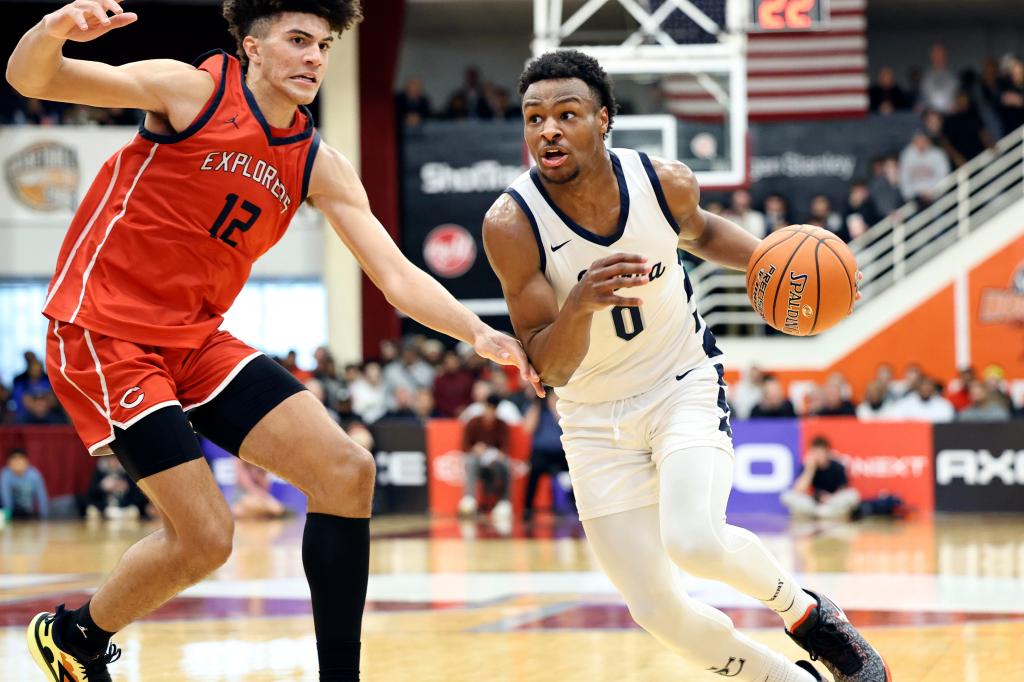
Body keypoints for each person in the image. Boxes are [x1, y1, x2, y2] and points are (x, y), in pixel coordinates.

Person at [7, 1, 539, 679]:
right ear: (253, 49)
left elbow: (398, 276)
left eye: (322, 44)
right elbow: (34, 80)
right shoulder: (191, 91)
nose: (314, 56)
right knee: (206, 539)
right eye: (297, 40)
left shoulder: (318, 163)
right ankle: (77, 634)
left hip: (196, 340)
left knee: (347, 472)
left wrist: (478, 332)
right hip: (104, 330)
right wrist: (52, 32)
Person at [482, 50, 888, 682]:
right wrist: (582, 304)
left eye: (567, 114)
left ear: (604, 119)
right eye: (534, 118)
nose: (548, 131)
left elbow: (699, 233)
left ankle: (811, 617)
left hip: (680, 384)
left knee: (694, 539)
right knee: (655, 609)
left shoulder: (662, 182)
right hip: (590, 418)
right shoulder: (511, 225)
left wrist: (795, 271)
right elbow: (550, 367)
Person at [458, 395, 512, 519]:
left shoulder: (502, 425)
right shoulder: (473, 422)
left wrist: (498, 454)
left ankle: (504, 502)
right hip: (476, 458)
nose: (490, 413)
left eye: (493, 410)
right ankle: (469, 500)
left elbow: (505, 448)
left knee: (506, 464)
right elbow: (465, 446)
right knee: (470, 460)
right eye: (488, 409)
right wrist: (475, 449)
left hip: (494, 461)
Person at [781, 437, 861, 520]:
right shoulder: (809, 466)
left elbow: (842, 489)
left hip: (832, 502)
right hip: (814, 504)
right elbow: (798, 490)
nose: (817, 456)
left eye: (820, 453)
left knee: (853, 494)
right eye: (815, 452)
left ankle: (822, 515)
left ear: (827, 452)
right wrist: (810, 470)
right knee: (787, 496)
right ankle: (819, 515)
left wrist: (828, 498)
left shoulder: (837, 467)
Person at [521, 391, 570, 521]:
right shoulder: (534, 408)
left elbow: (563, 423)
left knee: (572, 472)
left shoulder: (561, 406)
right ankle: (528, 508)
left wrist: (553, 404)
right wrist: (537, 404)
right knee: (534, 470)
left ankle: (573, 507)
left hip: (561, 453)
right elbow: (528, 428)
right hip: (540, 453)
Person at [1, 448, 50, 520]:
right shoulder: (5, 474)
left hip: (28, 513)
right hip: (10, 512)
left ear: (26, 462)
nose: (17, 462)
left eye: (20, 459)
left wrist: (44, 517)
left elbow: (42, 498)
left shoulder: (34, 475)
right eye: (14, 460)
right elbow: (6, 499)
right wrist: (7, 518)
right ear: (9, 463)